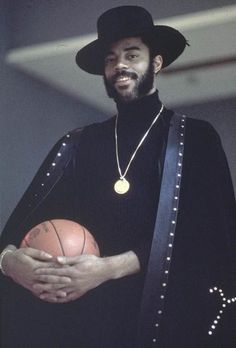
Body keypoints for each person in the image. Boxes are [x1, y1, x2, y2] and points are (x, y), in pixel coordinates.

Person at [0, 5, 236, 348]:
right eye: (110, 59)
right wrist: (9, 263)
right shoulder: (78, 144)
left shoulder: (196, 138)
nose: (119, 65)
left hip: (164, 329)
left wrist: (107, 268)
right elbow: (15, 232)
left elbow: (211, 238)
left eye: (131, 54)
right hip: (84, 330)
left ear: (155, 63)